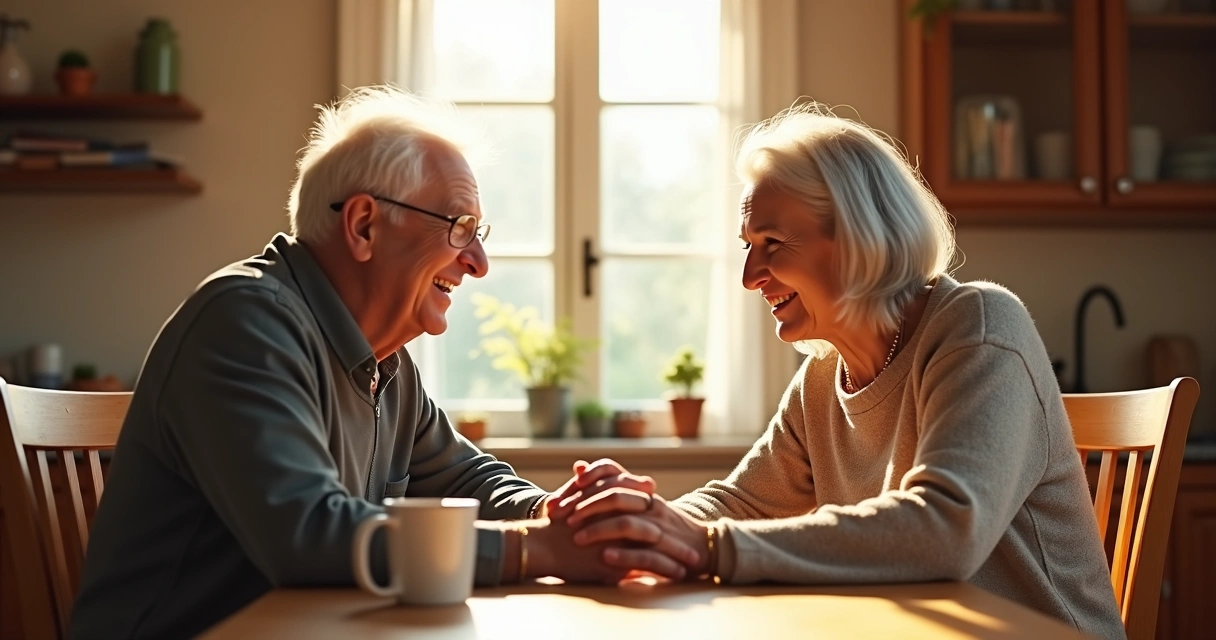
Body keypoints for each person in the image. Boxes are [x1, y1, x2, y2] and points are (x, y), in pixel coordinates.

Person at [69, 86, 696, 639]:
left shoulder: (383, 361)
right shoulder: (244, 323)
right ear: (364, 225)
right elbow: (308, 536)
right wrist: (540, 550)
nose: (478, 261)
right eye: (459, 226)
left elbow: (468, 480)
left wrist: (560, 515)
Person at [548, 106, 1127, 639]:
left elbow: (946, 528)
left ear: (861, 240)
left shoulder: (978, 326)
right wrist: (642, 521)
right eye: (748, 246)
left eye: (772, 243)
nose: (751, 276)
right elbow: (745, 504)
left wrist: (702, 545)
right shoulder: (825, 376)